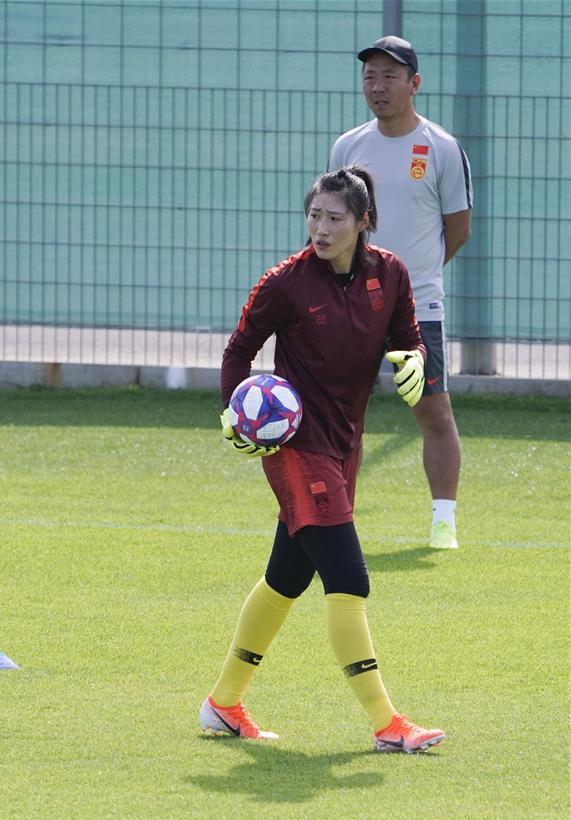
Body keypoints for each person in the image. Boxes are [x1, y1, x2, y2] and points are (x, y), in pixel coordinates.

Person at [198, 166, 445, 753]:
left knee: (287, 576)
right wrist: (235, 411)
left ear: (364, 223)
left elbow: (410, 338)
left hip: (343, 445)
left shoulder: (391, 274)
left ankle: (223, 704)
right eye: (314, 215)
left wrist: (415, 362)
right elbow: (240, 350)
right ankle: (387, 724)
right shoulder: (285, 282)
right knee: (349, 577)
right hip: (294, 447)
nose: (321, 228)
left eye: (335, 218)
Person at [329, 36, 472, 550]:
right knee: (344, 414)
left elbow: (457, 228)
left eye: (390, 76)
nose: (378, 86)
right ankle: (338, 519)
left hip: (418, 308)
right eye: (370, 76)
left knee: (433, 411)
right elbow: (338, 221)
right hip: (352, 305)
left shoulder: (442, 148)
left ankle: (443, 521)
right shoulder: (348, 146)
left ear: (414, 83)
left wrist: (409, 281)